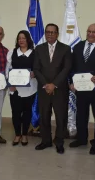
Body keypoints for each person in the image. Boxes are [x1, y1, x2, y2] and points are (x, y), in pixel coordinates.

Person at [69, 24, 95, 155]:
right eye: (89, 31)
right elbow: (72, 67)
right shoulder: (78, 46)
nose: (91, 34)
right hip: (81, 89)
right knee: (81, 115)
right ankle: (81, 139)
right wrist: (71, 82)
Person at [33, 23, 72, 154]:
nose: (50, 34)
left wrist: (53, 84)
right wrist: (46, 84)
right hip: (44, 89)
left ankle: (59, 142)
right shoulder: (38, 48)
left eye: (52, 32)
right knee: (44, 116)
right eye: (47, 32)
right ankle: (46, 141)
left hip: (60, 89)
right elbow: (36, 69)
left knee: (61, 117)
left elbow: (66, 69)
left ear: (57, 33)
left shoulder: (65, 49)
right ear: (45, 33)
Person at [5, 30, 37, 146]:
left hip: (30, 89)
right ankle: (17, 134)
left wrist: (34, 74)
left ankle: (24, 135)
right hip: (15, 89)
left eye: (23, 38)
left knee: (27, 113)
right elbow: (7, 70)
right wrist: (10, 85)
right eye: (19, 38)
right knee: (16, 113)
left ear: (28, 39)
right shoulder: (11, 53)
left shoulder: (34, 53)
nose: (21, 40)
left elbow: (38, 69)